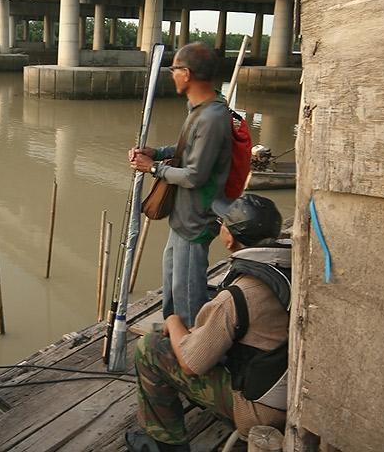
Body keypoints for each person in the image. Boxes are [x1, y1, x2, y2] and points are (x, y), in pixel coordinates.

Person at [125, 194, 291, 452]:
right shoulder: (290, 270)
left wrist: (173, 320)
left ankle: (165, 442)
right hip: (287, 391)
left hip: (261, 413)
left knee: (151, 347)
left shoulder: (238, 294)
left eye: (222, 224)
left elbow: (192, 363)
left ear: (229, 238)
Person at [129, 42, 231, 326]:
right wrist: (157, 153)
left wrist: (154, 168)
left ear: (186, 73)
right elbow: (187, 148)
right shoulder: (199, 110)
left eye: (174, 69)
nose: (172, 75)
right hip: (182, 215)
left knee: (188, 289)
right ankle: (174, 330)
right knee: (173, 278)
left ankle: (191, 347)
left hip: (196, 218)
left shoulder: (212, 117)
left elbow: (195, 175)